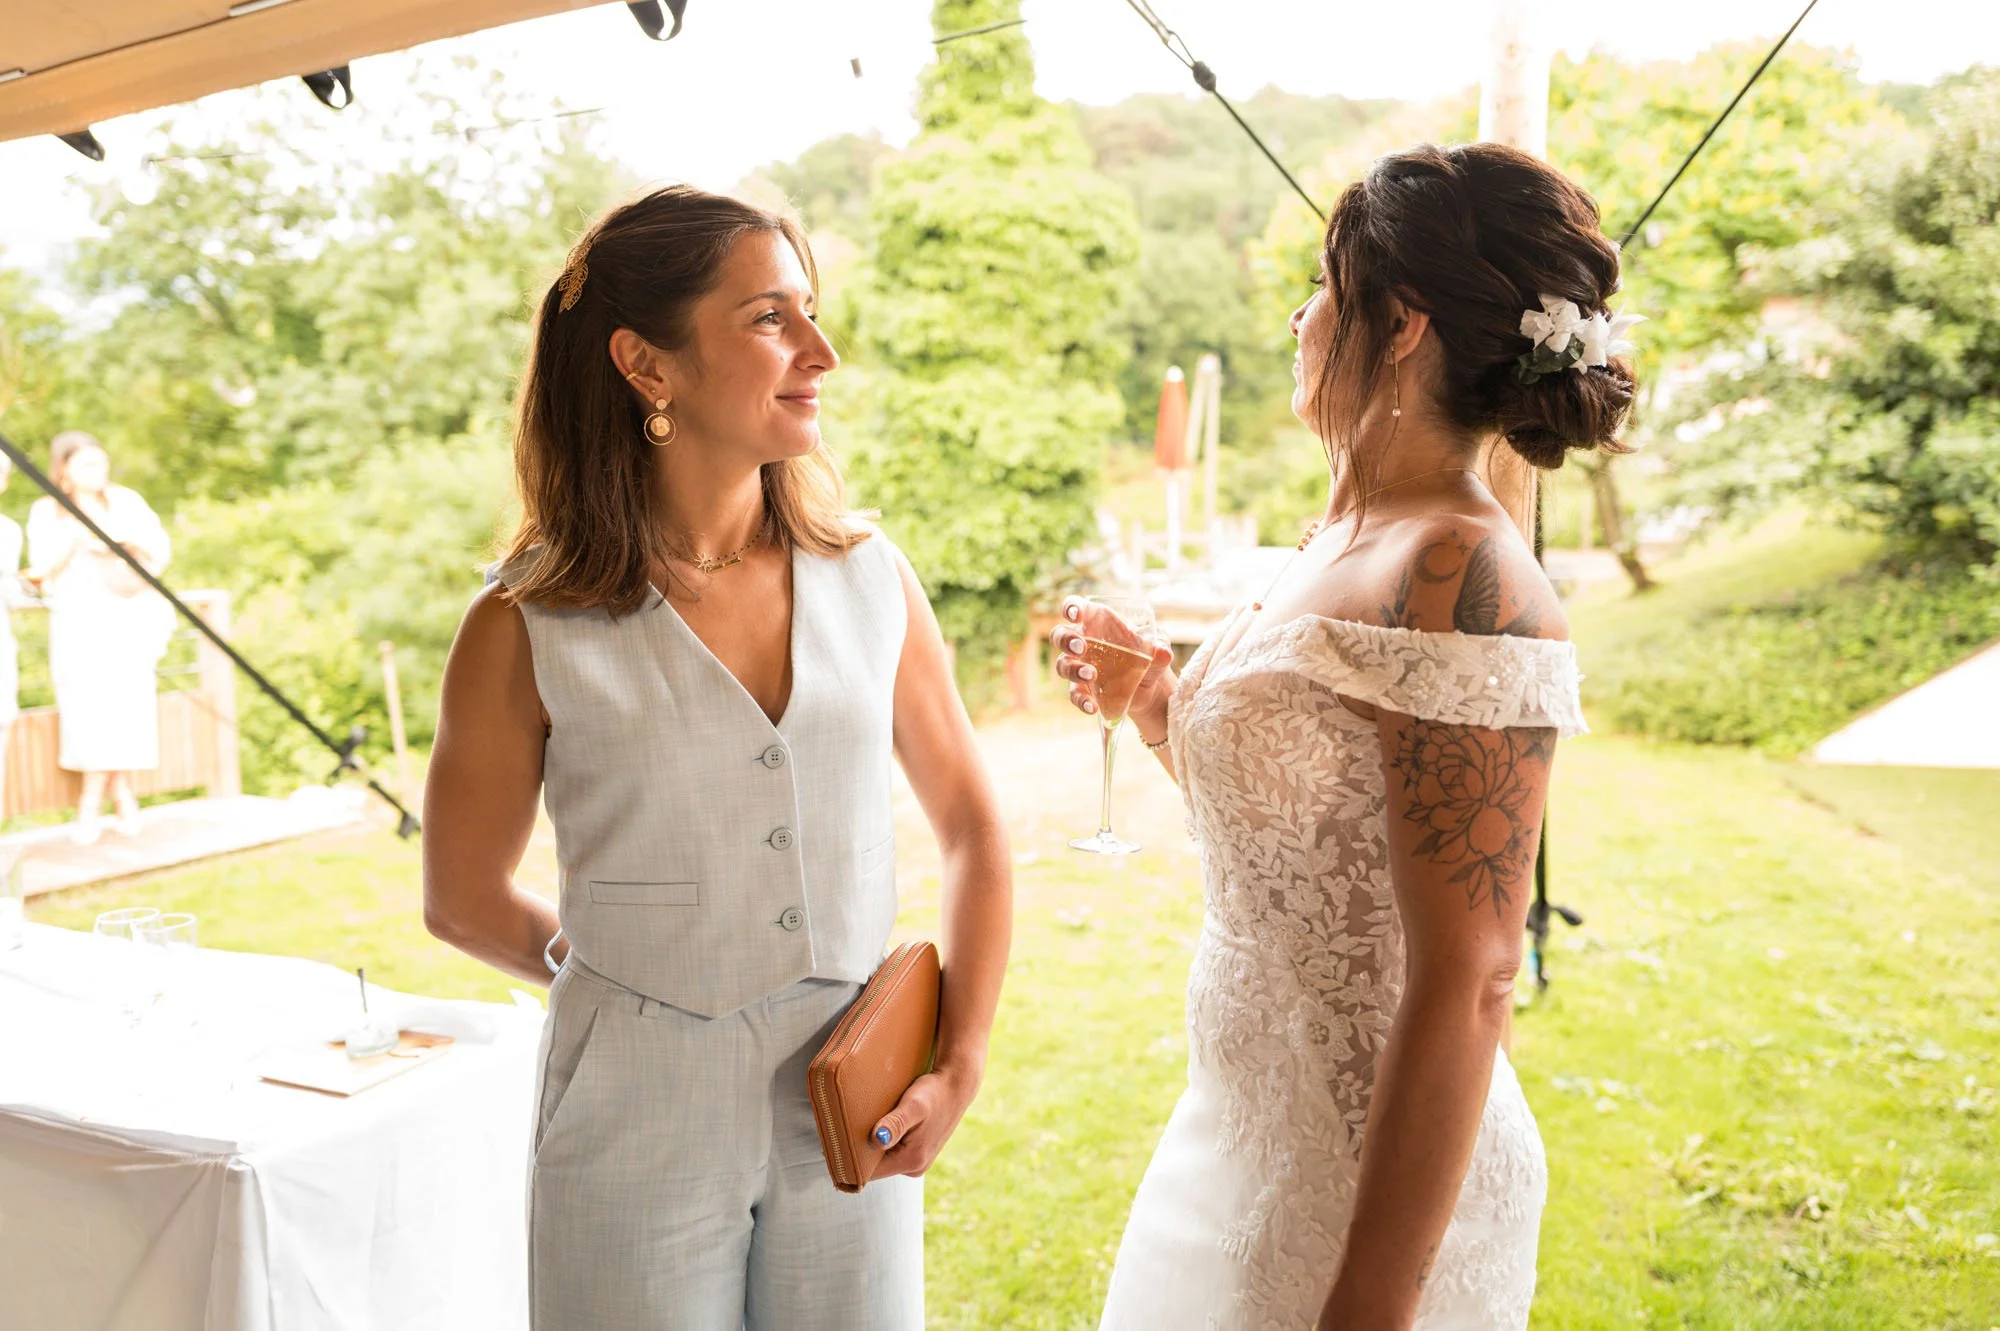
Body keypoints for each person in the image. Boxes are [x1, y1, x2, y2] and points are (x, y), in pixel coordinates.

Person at [1056, 143, 1633, 1330]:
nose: (1297, 311)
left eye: (1324, 284)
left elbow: (1471, 976)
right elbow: (1312, 836)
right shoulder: (1336, 538)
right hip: (1232, 1126)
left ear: (1402, 324)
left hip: (1368, 1183)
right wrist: (1159, 701)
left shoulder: (1458, 571)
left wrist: (1370, 1294)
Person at [422, 185, 1012, 1331]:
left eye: (811, 312)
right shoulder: (523, 623)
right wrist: (626, 980)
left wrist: (960, 1059)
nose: (819, 351)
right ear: (648, 364)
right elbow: (458, 896)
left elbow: (975, 829)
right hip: (630, 1115)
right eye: (768, 319)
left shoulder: (870, 578)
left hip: (855, 1099)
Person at [25, 432, 174, 845]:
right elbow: (40, 572)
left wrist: (119, 543)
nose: (98, 472)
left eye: (101, 463)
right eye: (87, 464)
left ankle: (111, 795)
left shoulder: (125, 502)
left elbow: (159, 550)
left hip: (127, 619)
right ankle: (104, 797)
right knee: (87, 708)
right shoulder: (47, 512)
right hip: (79, 623)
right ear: (65, 469)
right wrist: (75, 540)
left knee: (127, 704)